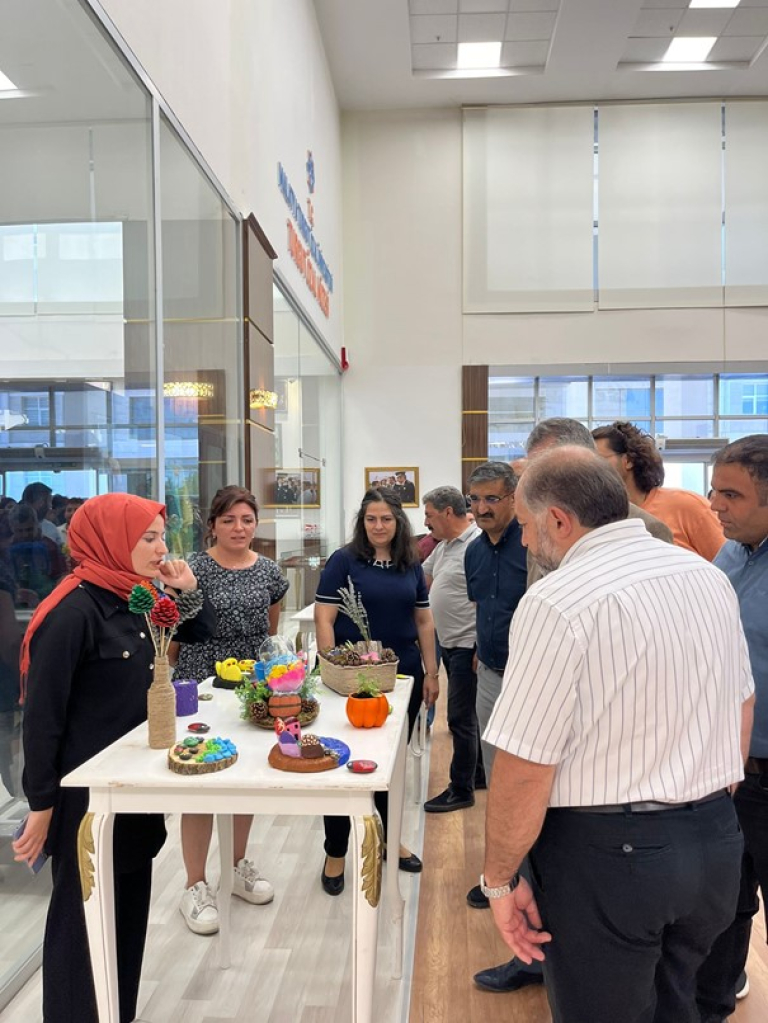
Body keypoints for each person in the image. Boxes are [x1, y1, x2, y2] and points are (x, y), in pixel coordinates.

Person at [482, 446, 751, 1023]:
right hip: (714, 840)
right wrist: (707, 800)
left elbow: (525, 764)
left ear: (559, 520)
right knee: (680, 1004)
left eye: (526, 525)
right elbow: (742, 700)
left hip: (611, 856)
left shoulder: (558, 600)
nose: (524, 541)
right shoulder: (708, 577)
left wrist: (500, 881)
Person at [12, 493, 215, 1023]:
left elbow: (197, 633)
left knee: (125, 921)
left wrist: (186, 590)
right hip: (85, 802)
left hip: (131, 790)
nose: (161, 548)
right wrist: (42, 804)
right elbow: (42, 718)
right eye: (147, 538)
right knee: (81, 934)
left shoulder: (135, 597)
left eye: (160, 536)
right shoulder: (72, 610)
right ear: (109, 539)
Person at [173, 485, 287, 935]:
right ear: (213, 525)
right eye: (229, 520)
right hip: (202, 680)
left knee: (246, 777)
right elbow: (176, 631)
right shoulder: (193, 568)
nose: (239, 528)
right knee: (201, 779)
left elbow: (269, 628)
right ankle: (195, 883)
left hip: (251, 682)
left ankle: (237, 866)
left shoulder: (270, 570)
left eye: (247, 520)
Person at [315, 487, 439, 894]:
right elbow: (325, 618)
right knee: (341, 764)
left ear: (398, 521)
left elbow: (423, 621)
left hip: (402, 677)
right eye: (371, 519)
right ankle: (336, 851)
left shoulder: (410, 563)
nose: (379, 526)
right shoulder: (344, 561)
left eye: (386, 518)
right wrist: (332, 668)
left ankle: (389, 839)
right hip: (350, 679)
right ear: (362, 522)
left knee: (390, 765)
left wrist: (432, 672)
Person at [696, 434, 768, 1022]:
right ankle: (709, 1008)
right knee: (722, 908)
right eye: (715, 490)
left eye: (732, 494)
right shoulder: (730, 555)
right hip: (727, 773)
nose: (715, 504)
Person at [421, 486, 483, 813]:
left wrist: (480, 645)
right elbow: (422, 576)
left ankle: (461, 789)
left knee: (460, 719)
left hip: (466, 645)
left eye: (429, 515)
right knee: (468, 716)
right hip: (447, 642)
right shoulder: (445, 546)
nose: (425, 522)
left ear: (447, 512)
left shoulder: (477, 545)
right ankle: (478, 773)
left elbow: (488, 600)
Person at [592, 420, 725, 560]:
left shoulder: (686, 505)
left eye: (597, 459)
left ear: (629, 460)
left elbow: (728, 564)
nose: (590, 468)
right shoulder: (595, 520)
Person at [20, 482, 64, 548]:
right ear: (40, 502)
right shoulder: (14, 526)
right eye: (49, 501)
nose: (50, 507)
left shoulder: (51, 527)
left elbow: (60, 550)